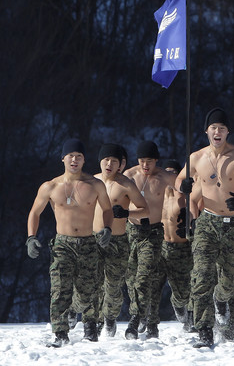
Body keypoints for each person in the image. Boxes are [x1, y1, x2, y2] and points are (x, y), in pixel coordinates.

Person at [175, 108, 234, 348]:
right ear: (207, 131)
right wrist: (183, 185)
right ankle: (204, 329)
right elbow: (179, 182)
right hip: (207, 221)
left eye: (222, 128)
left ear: (228, 132)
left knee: (229, 279)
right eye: (213, 128)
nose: (218, 132)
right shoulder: (196, 157)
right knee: (202, 275)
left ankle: (221, 299)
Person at [26, 139, 113, 347]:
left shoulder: (95, 184)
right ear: (63, 158)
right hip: (62, 245)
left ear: (84, 160)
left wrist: (107, 229)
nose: (74, 160)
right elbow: (34, 212)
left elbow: (108, 209)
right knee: (59, 288)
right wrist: (31, 237)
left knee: (88, 290)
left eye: (79, 156)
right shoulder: (50, 186)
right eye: (71, 156)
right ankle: (60, 333)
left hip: (88, 242)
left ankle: (89, 325)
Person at [90, 144, 149, 337]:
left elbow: (145, 209)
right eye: (106, 160)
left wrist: (126, 212)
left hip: (117, 240)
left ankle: (109, 317)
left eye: (114, 161)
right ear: (100, 161)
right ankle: (95, 321)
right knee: (93, 283)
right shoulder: (91, 181)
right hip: (94, 239)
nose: (109, 164)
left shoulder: (126, 184)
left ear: (120, 165)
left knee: (113, 286)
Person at [124, 141, 177, 339]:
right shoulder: (129, 176)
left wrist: (188, 184)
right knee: (131, 279)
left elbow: (186, 184)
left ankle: (136, 318)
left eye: (150, 161)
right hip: (131, 231)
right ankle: (151, 319)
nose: (145, 165)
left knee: (145, 276)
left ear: (156, 160)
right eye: (142, 161)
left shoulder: (164, 177)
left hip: (153, 232)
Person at [151, 159, 195, 333]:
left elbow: (193, 214)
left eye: (173, 173)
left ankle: (180, 307)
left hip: (181, 248)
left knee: (183, 292)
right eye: (166, 173)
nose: (169, 177)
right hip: (160, 246)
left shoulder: (186, 196)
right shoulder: (156, 194)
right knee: (153, 287)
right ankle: (151, 324)